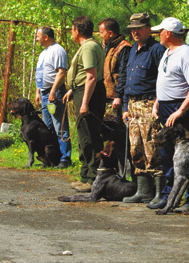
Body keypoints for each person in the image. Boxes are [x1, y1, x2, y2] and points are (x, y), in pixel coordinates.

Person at [148, 17, 189, 210]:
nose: (158, 34)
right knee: (167, 152)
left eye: (160, 31)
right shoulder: (167, 52)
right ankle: (169, 195)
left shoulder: (186, 53)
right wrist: (158, 102)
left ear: (168, 33)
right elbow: (165, 81)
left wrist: (180, 110)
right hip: (165, 106)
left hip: (179, 108)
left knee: (186, 154)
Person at [121, 13, 166, 204]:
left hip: (149, 104)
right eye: (132, 29)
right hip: (132, 105)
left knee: (152, 147)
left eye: (139, 28)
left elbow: (164, 79)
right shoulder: (132, 50)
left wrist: (158, 103)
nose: (135, 32)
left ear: (149, 28)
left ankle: (159, 193)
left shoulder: (157, 49)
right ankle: (143, 190)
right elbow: (126, 78)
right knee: (135, 148)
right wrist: (125, 105)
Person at [64, 16, 106, 193]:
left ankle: (93, 179)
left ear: (78, 30)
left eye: (72, 29)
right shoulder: (88, 46)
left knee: (89, 136)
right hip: (81, 91)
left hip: (89, 94)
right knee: (83, 136)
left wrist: (85, 103)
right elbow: (82, 74)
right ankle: (85, 175)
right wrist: (72, 90)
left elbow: (91, 76)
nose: (71, 32)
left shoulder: (88, 47)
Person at [34, 26, 72, 169]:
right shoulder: (44, 53)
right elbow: (40, 73)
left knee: (60, 127)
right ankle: (51, 158)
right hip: (44, 93)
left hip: (54, 94)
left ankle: (65, 158)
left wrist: (53, 91)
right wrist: (38, 92)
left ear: (46, 37)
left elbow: (61, 72)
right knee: (48, 127)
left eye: (38, 36)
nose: (36, 38)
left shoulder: (58, 51)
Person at [98, 18, 132, 118]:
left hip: (115, 98)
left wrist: (118, 96)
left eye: (101, 33)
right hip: (105, 95)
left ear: (110, 33)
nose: (100, 35)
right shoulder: (105, 46)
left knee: (114, 126)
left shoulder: (124, 48)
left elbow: (123, 74)